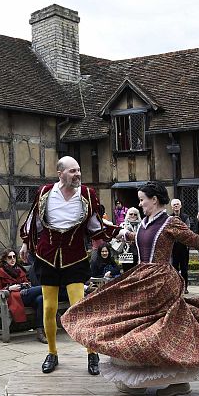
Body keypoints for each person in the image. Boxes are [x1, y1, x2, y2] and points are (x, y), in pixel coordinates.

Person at [61, 182, 199, 396]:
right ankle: (137, 377)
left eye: (142, 200)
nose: (139, 204)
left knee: (159, 330)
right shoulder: (143, 223)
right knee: (127, 321)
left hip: (161, 282)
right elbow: (141, 241)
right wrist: (122, 234)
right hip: (142, 276)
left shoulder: (170, 222)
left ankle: (176, 381)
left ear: (154, 200)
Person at [19, 156, 121, 375]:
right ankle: (52, 352)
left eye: (79, 171)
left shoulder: (87, 194)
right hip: (47, 257)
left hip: (74, 258)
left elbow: (96, 225)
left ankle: (91, 352)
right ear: (60, 173)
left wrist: (120, 233)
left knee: (79, 307)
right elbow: (34, 220)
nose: (78, 175)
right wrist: (26, 243)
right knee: (49, 308)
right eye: (73, 171)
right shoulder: (45, 192)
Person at [0, 249, 46, 343]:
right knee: (45, 288)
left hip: (25, 294)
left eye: (14, 257)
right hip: (13, 298)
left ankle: (40, 332)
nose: (12, 259)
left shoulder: (19, 269)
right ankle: (55, 310)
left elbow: (27, 281)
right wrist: (9, 288)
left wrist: (26, 285)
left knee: (40, 299)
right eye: (9, 257)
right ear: (5, 259)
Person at [170, 199, 193, 293]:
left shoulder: (185, 217)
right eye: (174, 205)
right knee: (174, 268)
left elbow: (187, 230)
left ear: (180, 206)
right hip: (173, 247)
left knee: (184, 268)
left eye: (177, 204)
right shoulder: (169, 218)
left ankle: (185, 287)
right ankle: (176, 287)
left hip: (183, 246)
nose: (176, 206)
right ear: (172, 207)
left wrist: (177, 232)